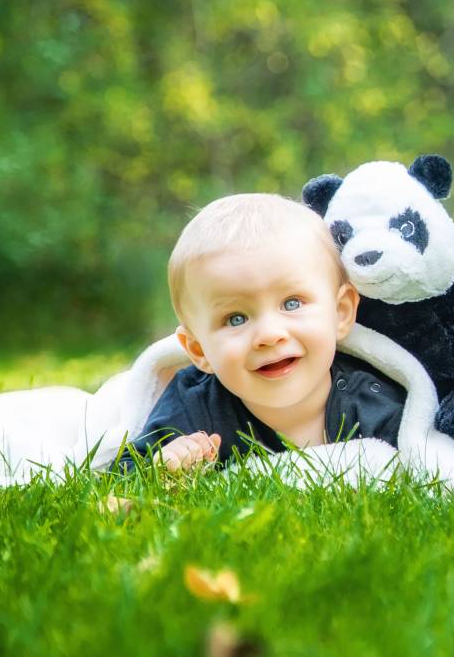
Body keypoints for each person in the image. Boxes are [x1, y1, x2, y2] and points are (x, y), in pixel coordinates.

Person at [119, 193, 405, 473]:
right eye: (235, 319)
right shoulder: (195, 405)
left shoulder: (373, 404)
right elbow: (124, 475)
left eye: (292, 303)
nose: (269, 335)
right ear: (199, 350)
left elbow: (421, 462)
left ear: (340, 312)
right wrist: (165, 464)